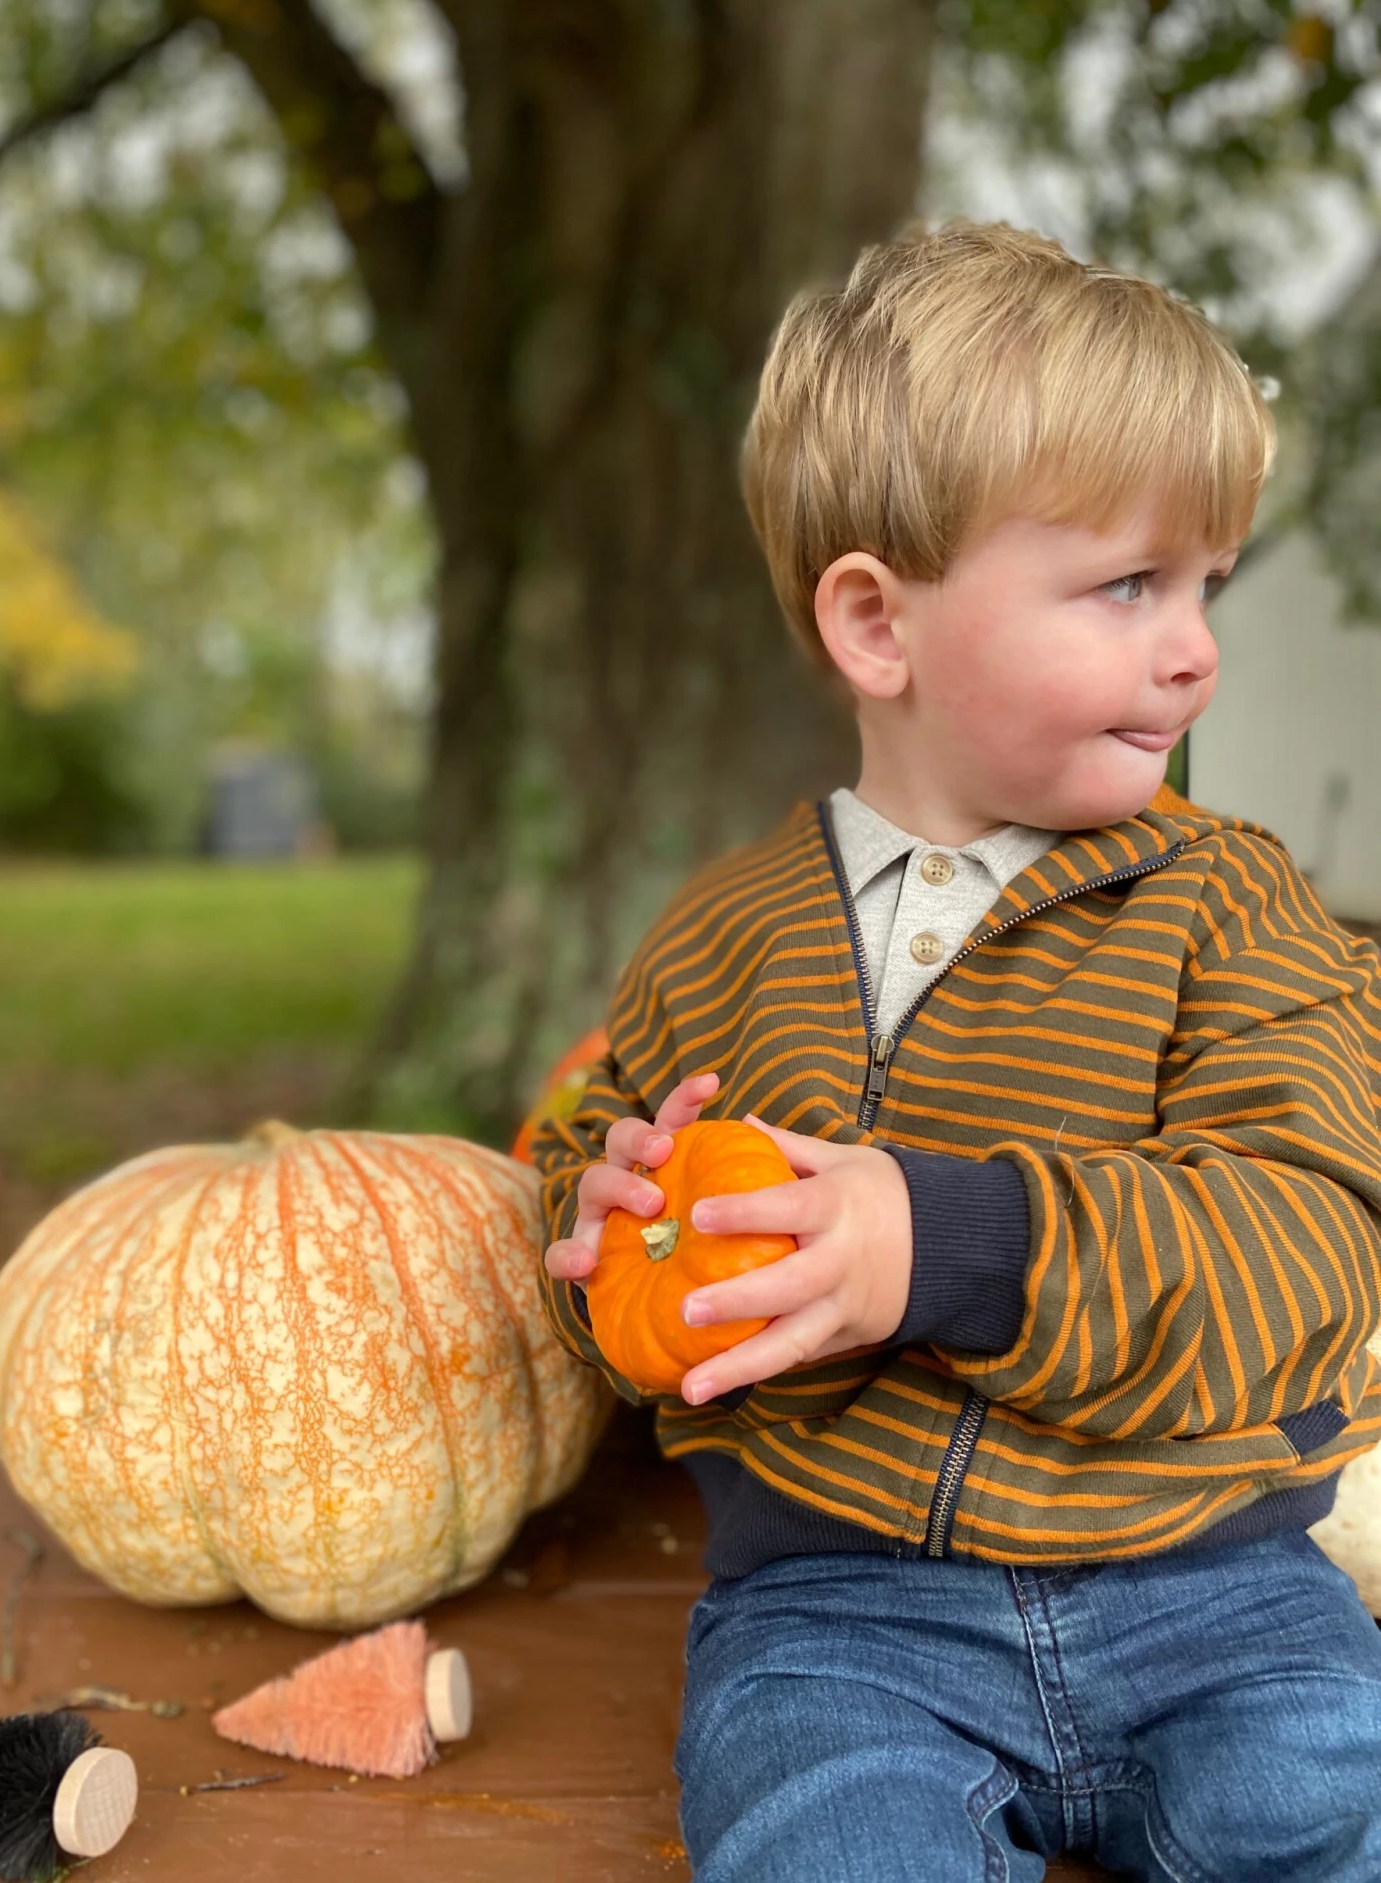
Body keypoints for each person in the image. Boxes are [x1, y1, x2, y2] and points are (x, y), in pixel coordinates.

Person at [534, 220, 1381, 1881]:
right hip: (841, 1616)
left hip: (1215, 1585)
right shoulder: (717, 944)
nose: (1196, 643)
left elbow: (1315, 1242)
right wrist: (599, 1231)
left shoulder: (1237, 911)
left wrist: (951, 1247)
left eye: (1206, 581)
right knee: (817, 1839)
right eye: (1129, 584)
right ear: (876, 625)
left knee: (1336, 1803)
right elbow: (596, 1192)